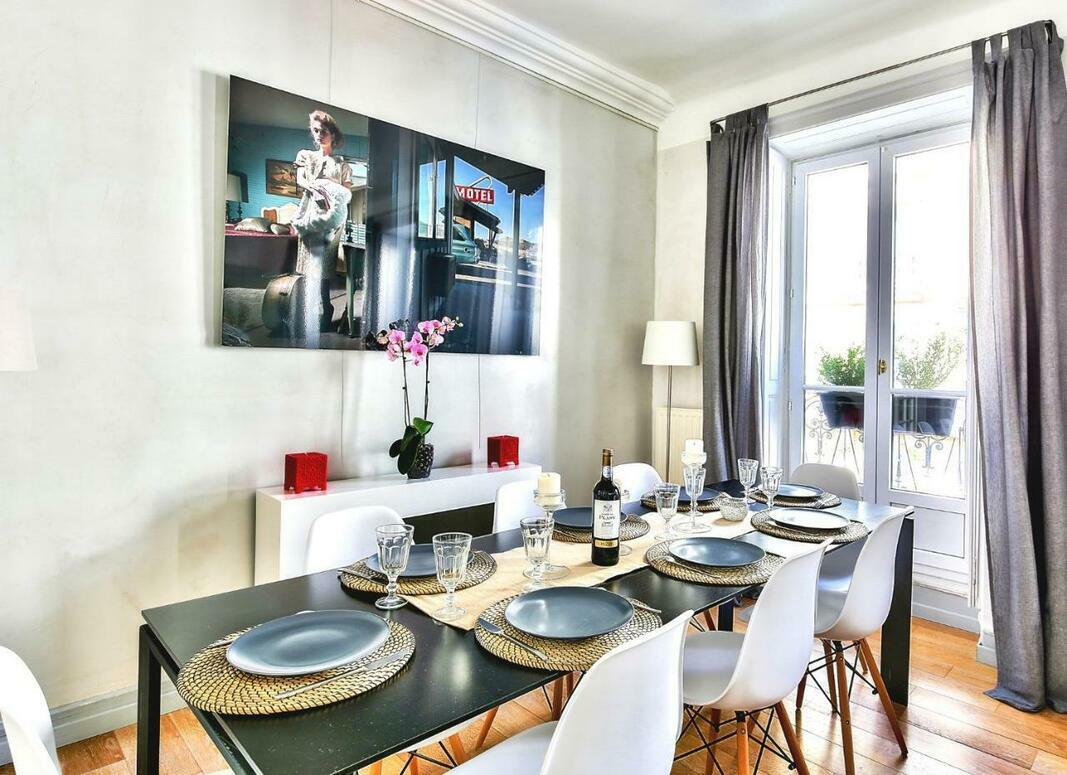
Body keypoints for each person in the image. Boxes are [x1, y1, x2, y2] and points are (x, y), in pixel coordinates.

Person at [292, 110, 353, 340]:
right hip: (310, 214)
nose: (319, 135)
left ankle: (326, 306)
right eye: (316, 130)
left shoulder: (341, 165)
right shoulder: (306, 156)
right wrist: (314, 188)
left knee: (323, 266)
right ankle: (307, 310)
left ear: (333, 134)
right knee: (308, 264)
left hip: (330, 219)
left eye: (324, 131)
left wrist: (330, 191)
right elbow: (301, 179)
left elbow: (346, 193)